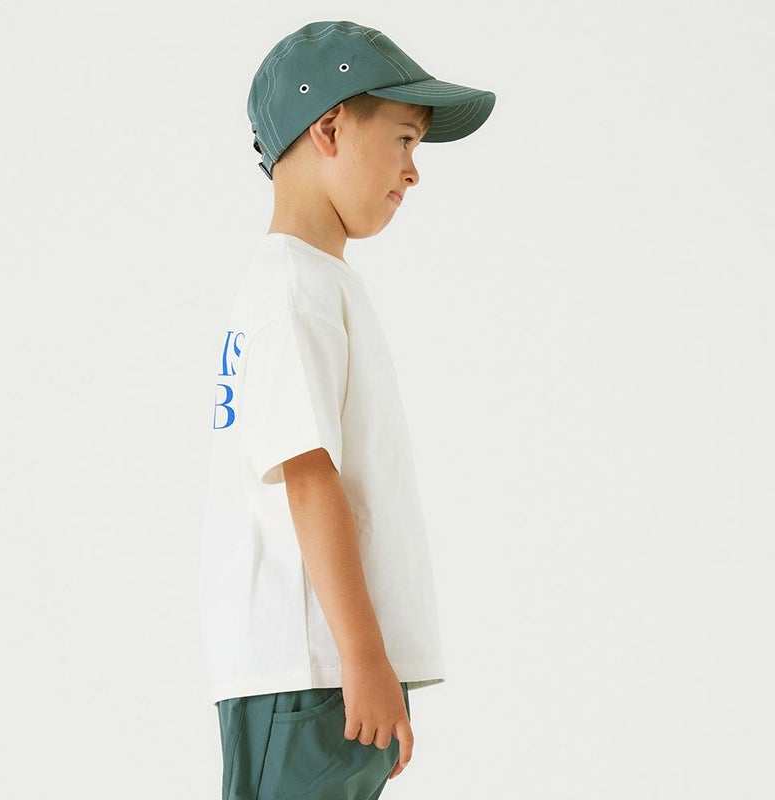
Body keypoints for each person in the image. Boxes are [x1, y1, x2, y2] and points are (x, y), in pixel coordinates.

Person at [198, 20, 496, 800]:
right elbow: (307, 478)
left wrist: (368, 660)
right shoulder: (292, 289)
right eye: (405, 140)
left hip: (324, 669)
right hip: (312, 670)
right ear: (329, 128)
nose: (413, 171)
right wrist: (363, 657)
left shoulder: (311, 283)